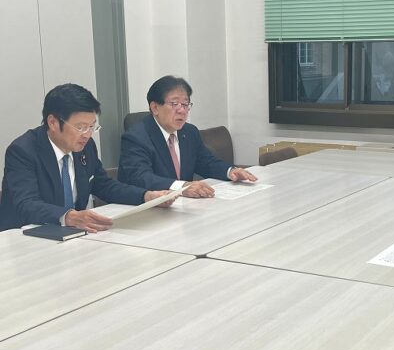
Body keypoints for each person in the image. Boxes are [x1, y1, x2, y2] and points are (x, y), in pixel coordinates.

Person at [0, 84, 174, 233]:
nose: (87, 134)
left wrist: (146, 196)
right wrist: (68, 216)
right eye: (80, 127)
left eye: (92, 127)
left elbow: (104, 185)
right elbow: (27, 204)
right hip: (27, 237)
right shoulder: (23, 151)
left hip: (72, 235)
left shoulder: (85, 146)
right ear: (53, 122)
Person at [117, 75, 256, 197]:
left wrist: (230, 171)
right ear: (155, 108)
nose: (182, 111)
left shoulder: (189, 132)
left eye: (185, 104)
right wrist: (182, 187)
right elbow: (141, 178)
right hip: (148, 208)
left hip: (182, 205)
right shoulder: (136, 137)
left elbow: (206, 162)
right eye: (174, 104)